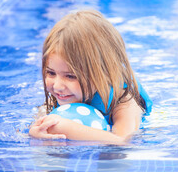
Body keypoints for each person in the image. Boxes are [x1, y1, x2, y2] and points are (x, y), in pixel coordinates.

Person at [29, 9, 152, 144]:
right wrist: (35, 132)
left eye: (70, 76)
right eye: (51, 73)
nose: (57, 86)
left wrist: (66, 128)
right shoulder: (57, 98)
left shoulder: (123, 102)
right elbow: (39, 127)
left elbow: (123, 142)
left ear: (103, 73)